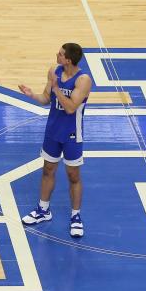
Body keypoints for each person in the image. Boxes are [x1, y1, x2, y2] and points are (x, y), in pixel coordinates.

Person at [18, 43, 91, 238]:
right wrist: (31, 94)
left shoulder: (83, 80)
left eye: (60, 54)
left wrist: (57, 88)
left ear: (68, 60)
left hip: (72, 134)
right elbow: (45, 98)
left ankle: (76, 216)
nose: (56, 55)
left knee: (73, 176)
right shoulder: (53, 70)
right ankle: (43, 210)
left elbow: (70, 108)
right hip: (53, 130)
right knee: (47, 170)